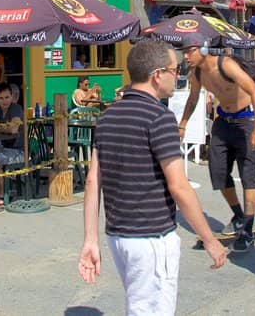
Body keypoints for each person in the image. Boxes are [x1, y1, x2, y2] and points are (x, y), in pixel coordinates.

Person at [78, 39, 226, 314]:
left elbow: (92, 180)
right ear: (157, 75)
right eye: (175, 69)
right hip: (150, 238)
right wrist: (209, 238)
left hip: (118, 236)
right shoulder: (159, 117)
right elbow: (179, 187)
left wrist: (90, 239)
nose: (178, 75)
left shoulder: (107, 118)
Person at [178, 36, 255, 252]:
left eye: (190, 51)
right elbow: (193, 98)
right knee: (217, 172)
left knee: (248, 174)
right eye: (184, 52)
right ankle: (238, 214)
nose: (185, 56)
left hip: (246, 120)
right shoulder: (197, 73)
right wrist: (182, 124)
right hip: (223, 122)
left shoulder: (225, 65)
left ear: (204, 49)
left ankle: (247, 227)